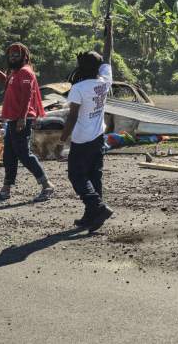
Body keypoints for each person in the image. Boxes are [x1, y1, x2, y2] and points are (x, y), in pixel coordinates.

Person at [59, 17, 114, 232]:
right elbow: (108, 56)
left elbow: (71, 118)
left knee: (76, 175)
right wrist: (110, 32)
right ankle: (93, 217)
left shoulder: (79, 89)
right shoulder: (104, 81)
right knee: (94, 176)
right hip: (98, 138)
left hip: (81, 140)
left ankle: (98, 207)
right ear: (98, 68)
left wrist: (62, 140)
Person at [0, 43, 55, 201]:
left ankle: (47, 186)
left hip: (20, 119)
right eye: (11, 55)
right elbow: (10, 85)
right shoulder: (15, 73)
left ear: (24, 57)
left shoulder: (25, 72)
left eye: (16, 55)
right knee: (9, 155)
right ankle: (6, 189)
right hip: (13, 119)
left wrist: (22, 118)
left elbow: (27, 97)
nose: (12, 58)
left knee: (24, 154)